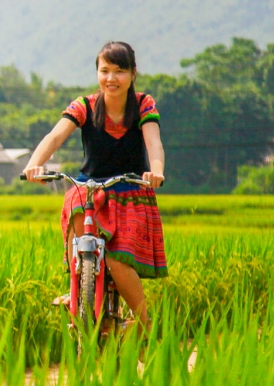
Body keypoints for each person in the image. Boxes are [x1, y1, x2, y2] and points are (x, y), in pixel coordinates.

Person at [22, 41, 167, 329]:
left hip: (130, 189)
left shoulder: (142, 104)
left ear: (133, 74)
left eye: (119, 71)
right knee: (78, 221)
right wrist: (33, 164)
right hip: (91, 188)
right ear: (97, 73)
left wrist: (156, 170)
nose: (111, 78)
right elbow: (54, 136)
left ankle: (144, 324)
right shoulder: (85, 105)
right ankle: (79, 282)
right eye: (105, 71)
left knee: (116, 260)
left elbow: (154, 142)